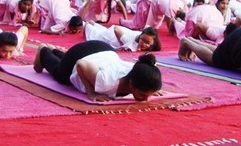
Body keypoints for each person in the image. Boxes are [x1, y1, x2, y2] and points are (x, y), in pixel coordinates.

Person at [34, 41, 162, 102]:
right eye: (143, 94)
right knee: (62, 76)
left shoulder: (140, 69)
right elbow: (81, 64)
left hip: (102, 50)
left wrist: (151, 87)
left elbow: (150, 70)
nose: (145, 99)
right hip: (79, 55)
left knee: (88, 65)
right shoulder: (106, 82)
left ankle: (54, 49)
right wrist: (91, 92)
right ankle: (44, 50)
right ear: (132, 84)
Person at [119, 0, 185, 31]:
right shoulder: (171, 9)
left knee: (153, 27)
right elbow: (170, 26)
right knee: (137, 25)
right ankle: (122, 21)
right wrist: (174, 32)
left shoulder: (181, 5)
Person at [84, 22, 161, 52]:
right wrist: (123, 44)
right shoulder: (129, 39)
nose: (144, 44)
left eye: (147, 43)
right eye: (143, 40)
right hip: (111, 36)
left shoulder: (151, 41)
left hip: (120, 32)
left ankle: (93, 23)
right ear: (140, 36)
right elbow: (116, 29)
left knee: (102, 30)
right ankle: (87, 24)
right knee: (94, 35)